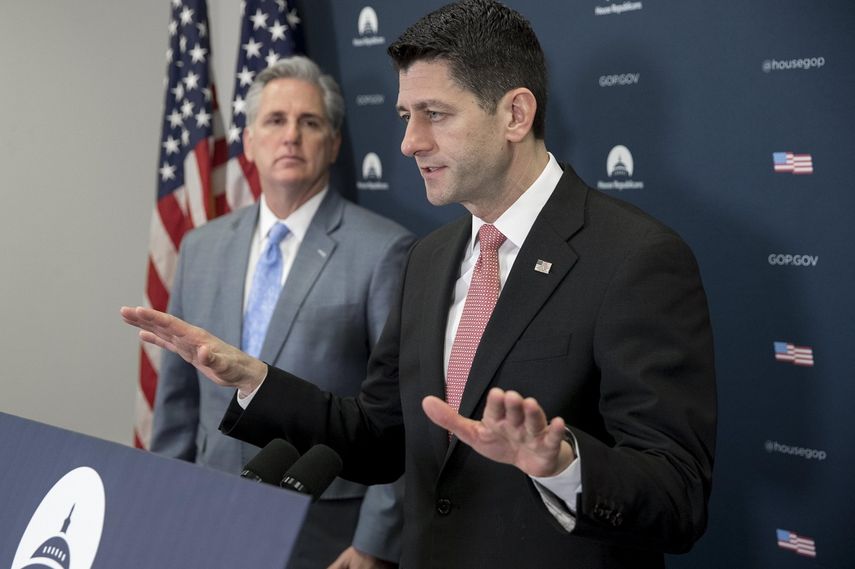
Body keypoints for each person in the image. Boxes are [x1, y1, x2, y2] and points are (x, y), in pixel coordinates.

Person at [124, 2, 716, 567]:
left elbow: (677, 495)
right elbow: (378, 435)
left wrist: (560, 463)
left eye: (435, 114)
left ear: (515, 114)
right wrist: (255, 381)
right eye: (407, 117)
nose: (409, 142)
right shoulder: (430, 258)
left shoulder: (635, 258)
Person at [147, 56, 413, 569]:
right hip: (208, 514)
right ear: (248, 142)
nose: (291, 136)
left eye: (309, 122)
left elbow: (397, 416)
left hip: (327, 528)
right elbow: (177, 406)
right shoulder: (200, 247)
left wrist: (376, 543)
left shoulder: (385, 252)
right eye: (275, 121)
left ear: (333, 143)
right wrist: (161, 503)